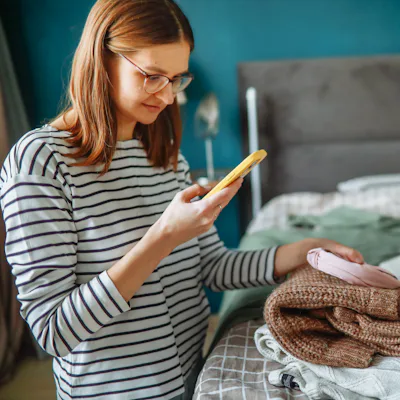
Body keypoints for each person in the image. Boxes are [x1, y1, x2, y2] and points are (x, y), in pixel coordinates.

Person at [0, 1, 364, 399]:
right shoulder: (39, 161)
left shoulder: (164, 158)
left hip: (195, 381)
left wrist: (304, 250)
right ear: (102, 59)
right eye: (153, 76)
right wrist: (164, 237)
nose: (168, 96)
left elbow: (211, 268)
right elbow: (54, 330)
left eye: (176, 79)